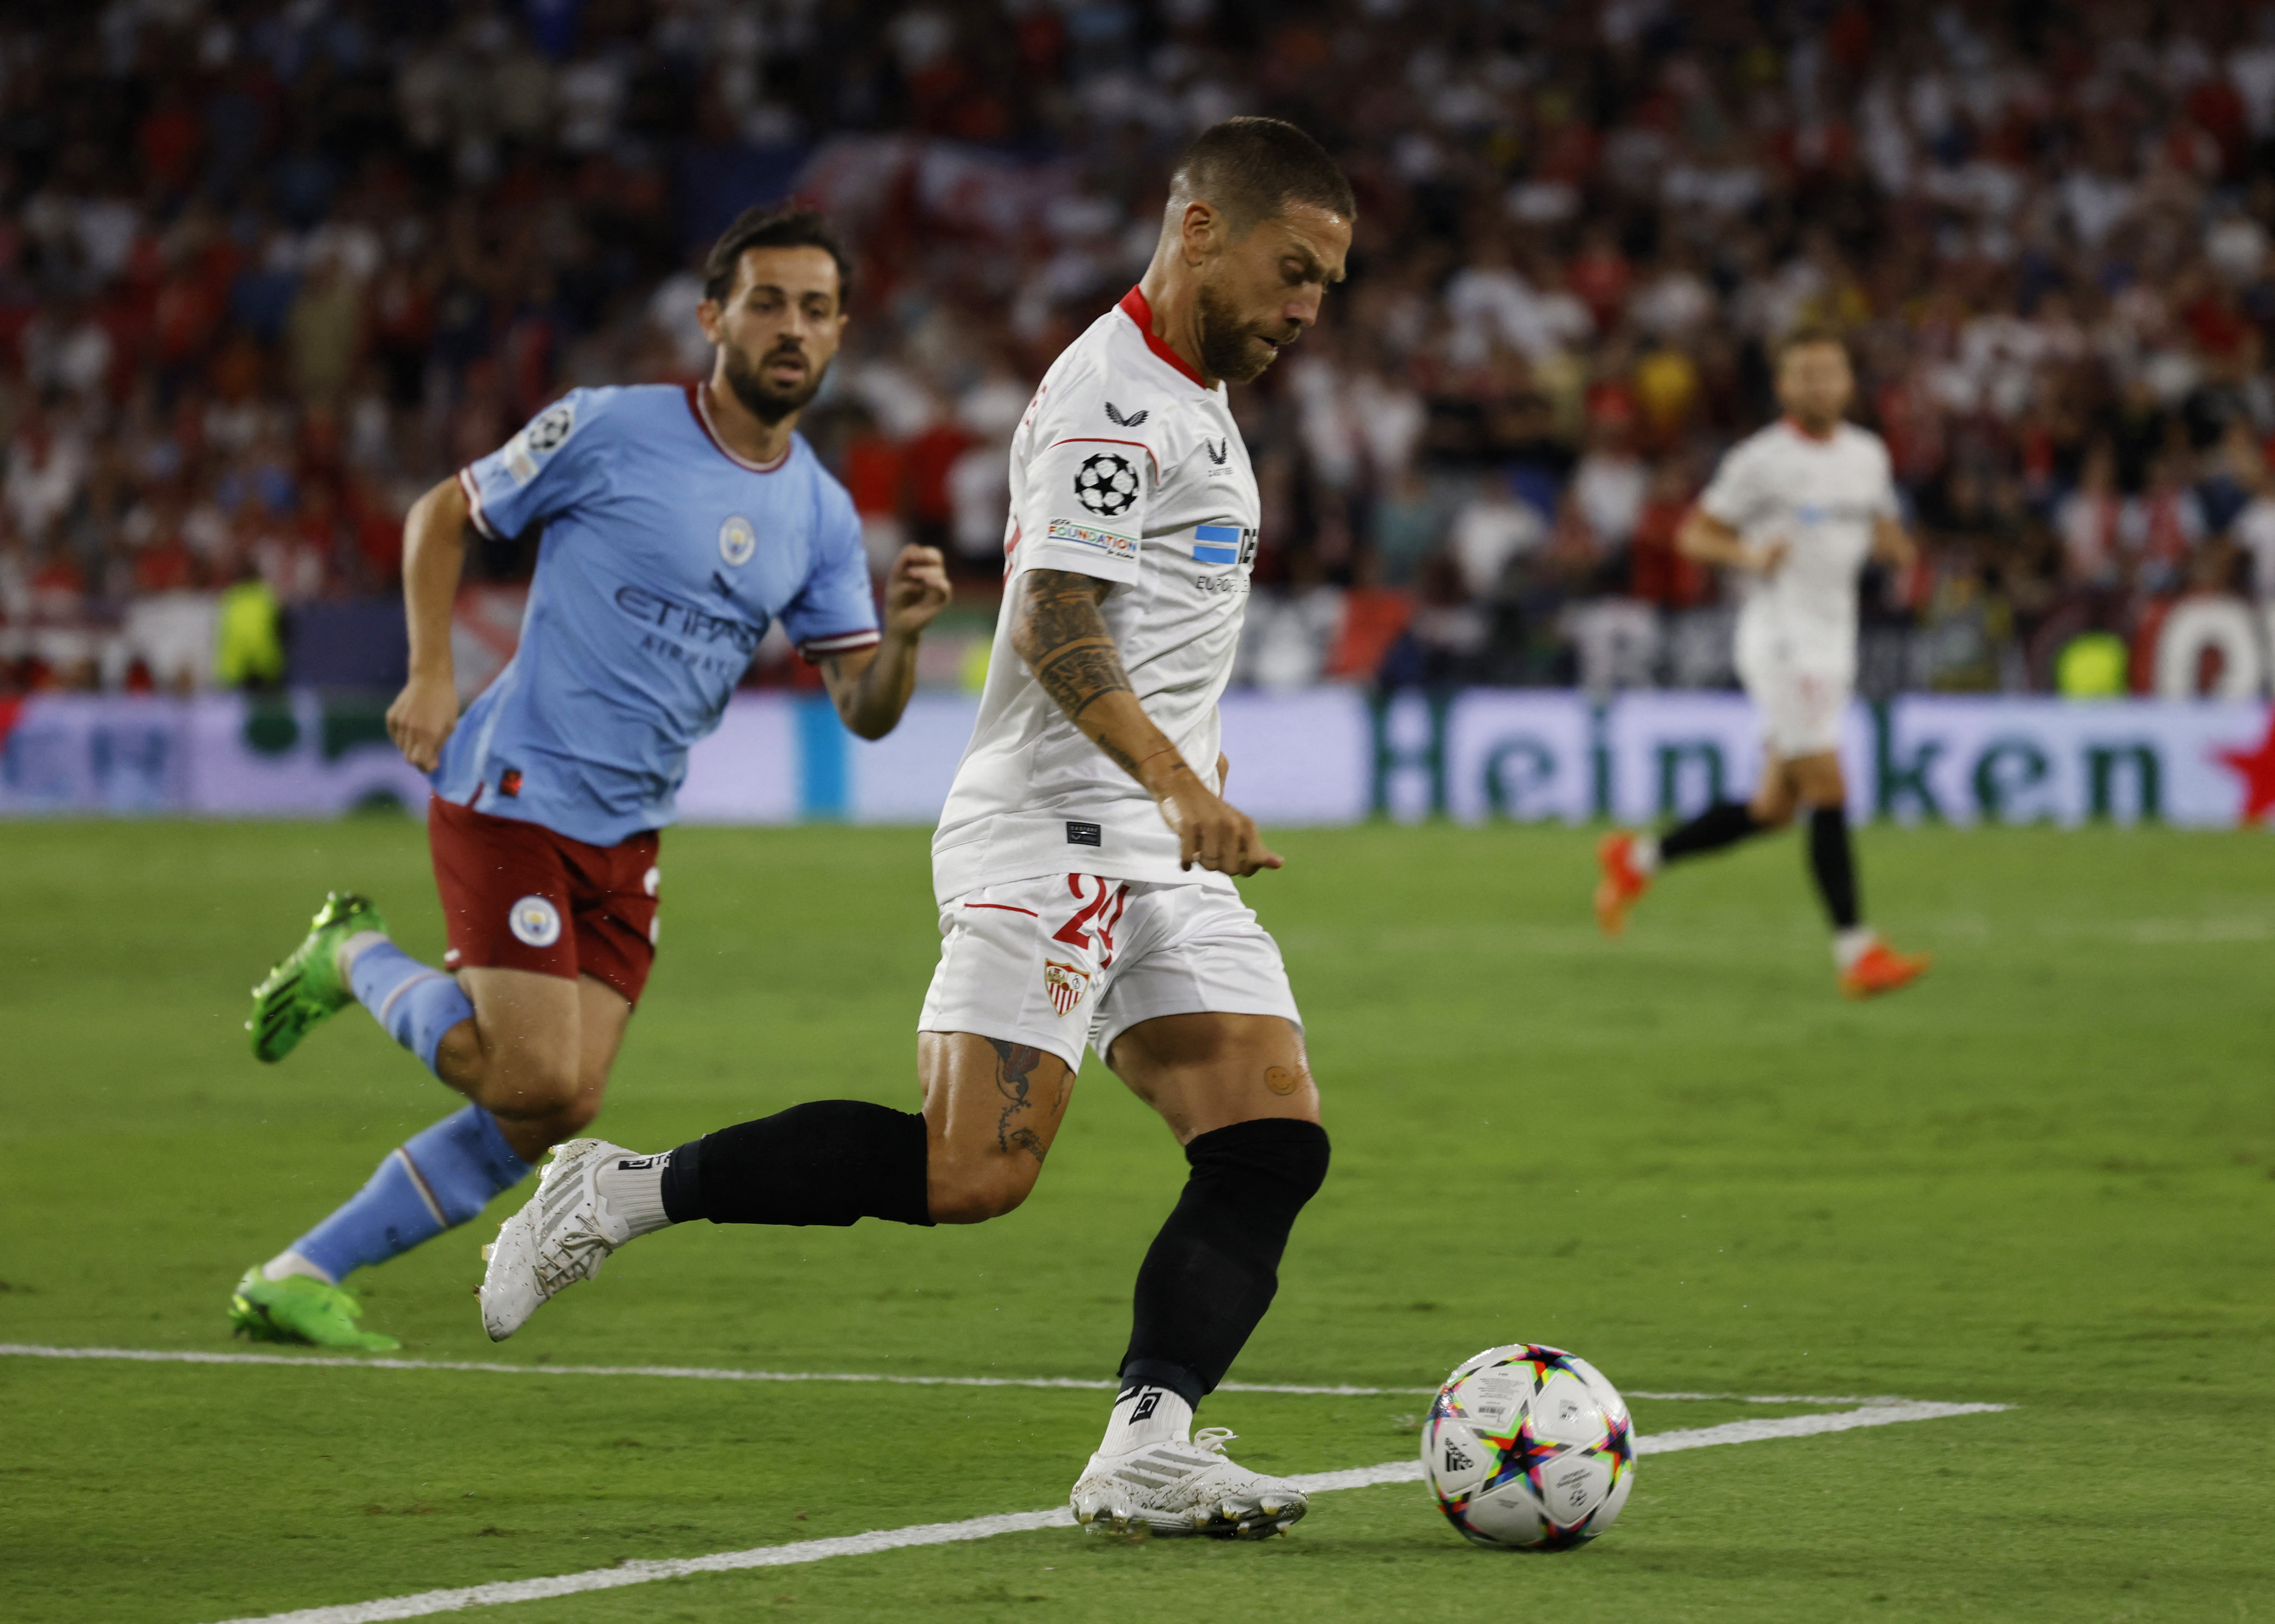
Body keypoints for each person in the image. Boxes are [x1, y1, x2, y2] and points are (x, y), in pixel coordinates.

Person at [475, 118, 1353, 1541]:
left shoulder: (1193, 393)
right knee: (970, 1172)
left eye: (1325, 283)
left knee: (1266, 1137)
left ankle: (1145, 1443)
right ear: (1198, 228)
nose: (1308, 308)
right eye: (1293, 270)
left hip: (1143, 841)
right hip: (1057, 825)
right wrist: (1179, 783)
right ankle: (620, 1186)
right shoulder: (1112, 405)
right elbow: (1057, 620)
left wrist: (1180, 779)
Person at [229, 208, 950, 1351]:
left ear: (840, 335)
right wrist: (428, 671)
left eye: (815, 309)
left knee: (550, 1107)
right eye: (766, 302)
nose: (790, 328)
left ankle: (301, 1271)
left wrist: (901, 636)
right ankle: (351, 954)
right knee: (532, 1072)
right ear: (712, 317)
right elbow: (442, 513)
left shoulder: (817, 509)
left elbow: (863, 708)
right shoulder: (613, 427)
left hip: (628, 831)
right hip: (513, 786)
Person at [1594, 326, 1931, 1000]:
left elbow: (1883, 526)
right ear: (1782, 386)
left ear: (1845, 381)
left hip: (1833, 639)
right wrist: (1748, 557)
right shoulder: (1759, 459)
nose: (1819, 384)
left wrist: (1899, 549)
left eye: (1829, 372)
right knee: (1829, 787)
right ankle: (1856, 951)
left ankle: (1637, 859)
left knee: (1775, 808)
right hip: (1780, 639)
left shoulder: (1867, 455)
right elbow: (1694, 533)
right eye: (1804, 374)